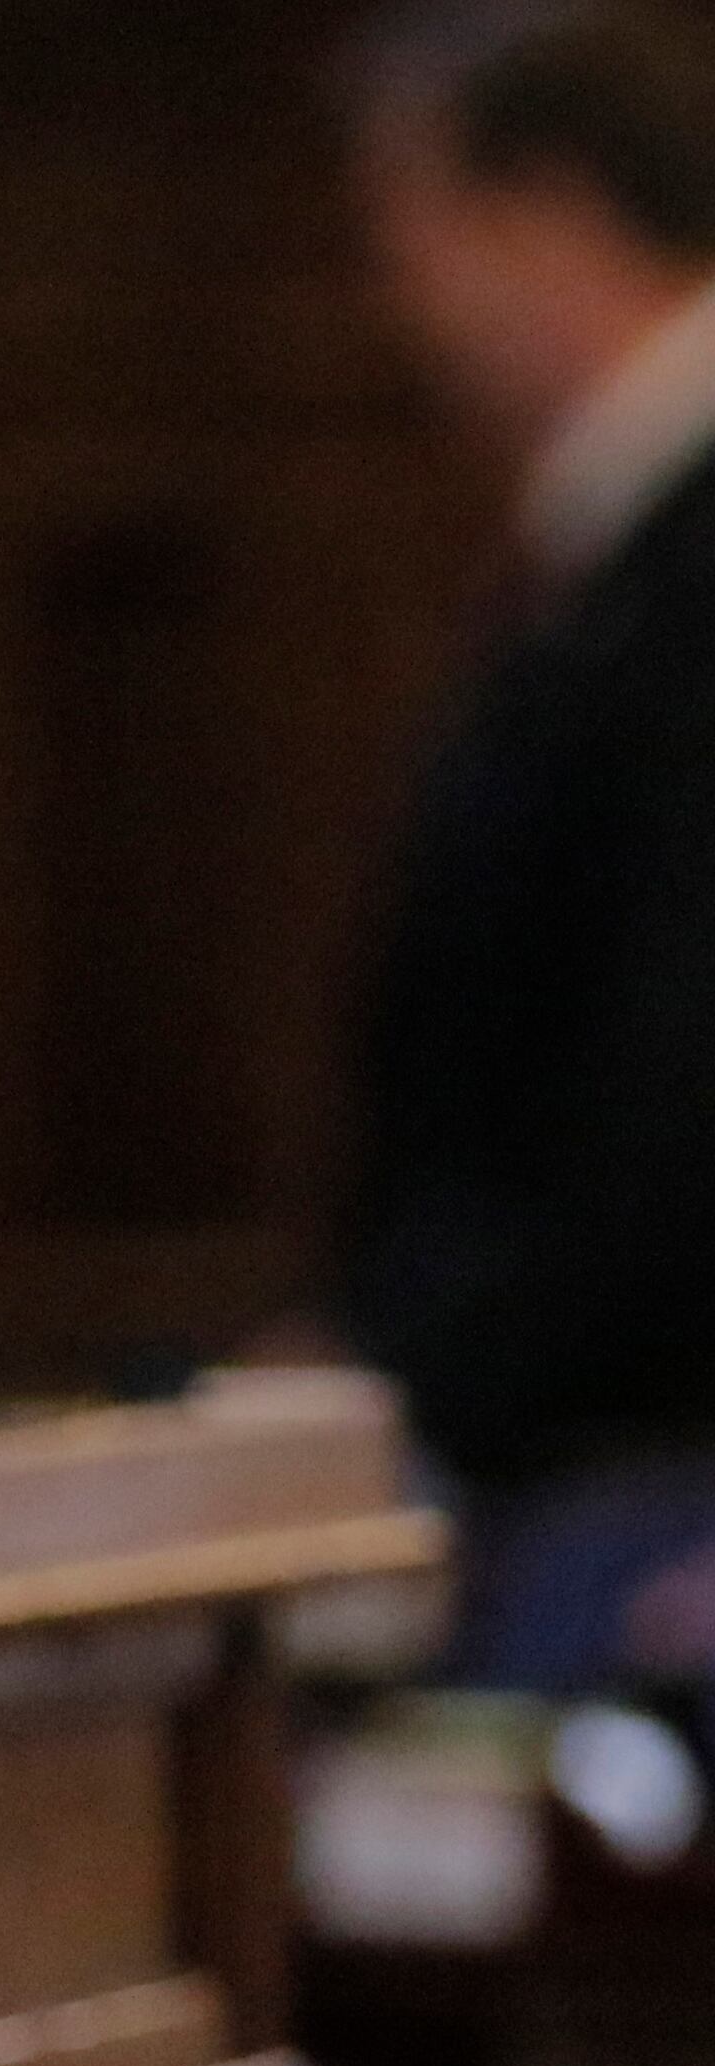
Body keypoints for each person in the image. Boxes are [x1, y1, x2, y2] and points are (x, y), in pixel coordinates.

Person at [345, 0, 715, 1683]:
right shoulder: (627, 543)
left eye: (410, 235)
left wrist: (396, 1387)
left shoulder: (689, 564)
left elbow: (669, 1088)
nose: (399, 305)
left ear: (547, 214)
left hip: (641, 1482)